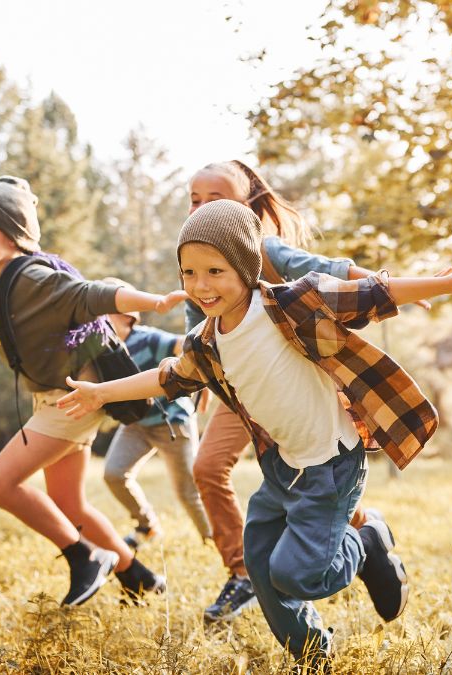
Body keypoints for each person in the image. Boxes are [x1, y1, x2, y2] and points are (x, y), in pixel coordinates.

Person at [58, 200, 452, 670]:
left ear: (246, 267)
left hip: (331, 464)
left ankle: (366, 541)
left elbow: (371, 292)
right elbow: (168, 377)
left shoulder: (291, 304)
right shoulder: (206, 343)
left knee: (298, 575)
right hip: (282, 467)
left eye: (215, 270)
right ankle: (313, 654)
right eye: (189, 272)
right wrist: (100, 393)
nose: (201, 285)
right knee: (262, 567)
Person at [0, 176, 186, 606]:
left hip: (74, 396)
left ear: (14, 232)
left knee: (0, 484)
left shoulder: (36, 278)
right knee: (68, 503)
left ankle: (84, 558)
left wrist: (154, 302)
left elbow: (92, 294)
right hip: (54, 397)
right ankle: (139, 578)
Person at [184, 159, 428, 623]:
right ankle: (250, 571)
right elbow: (197, 331)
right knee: (213, 467)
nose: (200, 208)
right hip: (242, 391)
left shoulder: (267, 249)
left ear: (248, 205)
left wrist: (385, 286)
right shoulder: (198, 257)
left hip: (293, 384)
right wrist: (197, 386)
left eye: (215, 199)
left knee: (302, 473)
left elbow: (326, 269)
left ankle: (354, 539)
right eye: (194, 199)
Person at [99, 280, 214, 548]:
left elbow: (184, 345)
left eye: (106, 311)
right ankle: (147, 527)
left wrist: (203, 375)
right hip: (136, 425)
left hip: (172, 424)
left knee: (187, 492)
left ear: (127, 315)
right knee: (114, 474)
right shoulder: (103, 349)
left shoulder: (149, 339)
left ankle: (213, 539)